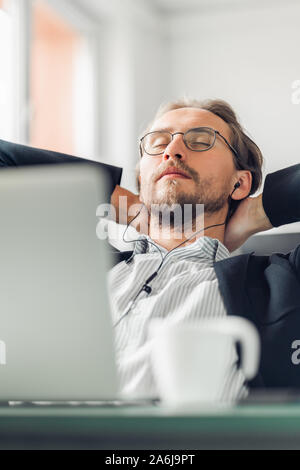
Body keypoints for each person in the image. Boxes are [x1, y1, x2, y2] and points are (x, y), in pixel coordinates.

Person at [108, 98, 300, 400]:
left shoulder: (284, 280)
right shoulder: (80, 265)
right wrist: (121, 203)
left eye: (200, 141)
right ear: (140, 179)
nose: (172, 151)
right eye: (157, 144)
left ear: (239, 183)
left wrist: (258, 212)